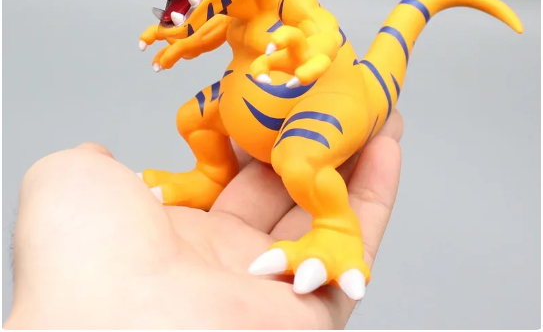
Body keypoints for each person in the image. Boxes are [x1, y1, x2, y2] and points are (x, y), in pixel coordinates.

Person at [4, 111, 403, 330]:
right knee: (194, 116)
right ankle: (212, 176)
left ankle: (337, 230)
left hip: (316, 103)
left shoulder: (292, 5)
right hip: (256, 102)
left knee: (299, 163)